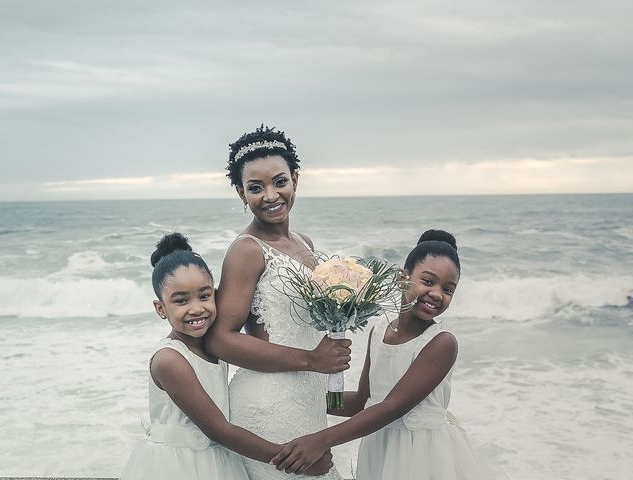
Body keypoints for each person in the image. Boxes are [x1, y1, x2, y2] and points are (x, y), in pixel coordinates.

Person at [270, 230, 484, 480]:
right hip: (379, 446)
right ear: (402, 278)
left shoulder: (442, 342)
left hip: (421, 454)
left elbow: (392, 407)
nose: (437, 294)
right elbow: (364, 401)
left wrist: (320, 440)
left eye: (448, 289)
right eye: (428, 281)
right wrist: (303, 398)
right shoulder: (380, 329)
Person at [121, 233, 333, 480]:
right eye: (181, 301)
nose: (196, 308)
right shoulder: (170, 360)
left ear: (217, 294)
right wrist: (293, 460)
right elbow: (219, 429)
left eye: (204, 295)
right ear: (161, 308)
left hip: (218, 460)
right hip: (179, 465)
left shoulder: (212, 349)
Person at [204, 125, 348, 480]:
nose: (270, 195)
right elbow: (219, 338)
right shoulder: (246, 250)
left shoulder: (306, 243)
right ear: (241, 193)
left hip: (310, 400)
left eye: (279, 182)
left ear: (295, 179)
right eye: (256, 188)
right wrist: (312, 359)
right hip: (268, 404)